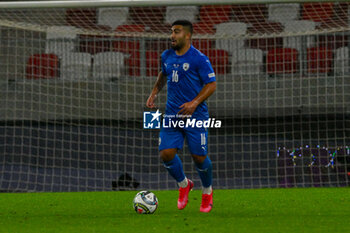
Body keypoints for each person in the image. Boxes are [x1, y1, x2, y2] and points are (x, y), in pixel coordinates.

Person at [146, 20, 216, 213]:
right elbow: (163, 74)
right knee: (166, 154)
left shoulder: (199, 59)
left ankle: (207, 191)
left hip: (196, 115)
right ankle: (184, 184)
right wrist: (154, 92)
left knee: (199, 157)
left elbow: (211, 85)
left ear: (188, 35)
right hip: (171, 115)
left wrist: (194, 103)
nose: (172, 36)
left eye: (176, 32)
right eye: (171, 32)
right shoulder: (166, 55)